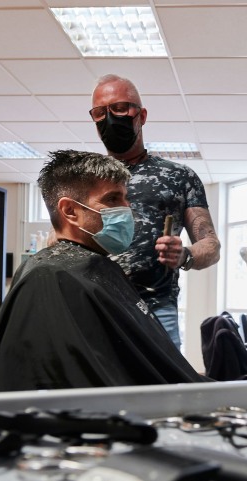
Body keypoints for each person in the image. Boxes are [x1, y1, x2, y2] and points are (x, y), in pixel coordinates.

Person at [0, 150, 205, 392]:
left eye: (126, 199)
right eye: (113, 199)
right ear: (70, 211)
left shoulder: (96, 267)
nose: (127, 209)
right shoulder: (51, 277)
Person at [91, 74, 221, 349]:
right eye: (100, 112)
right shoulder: (87, 179)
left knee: (163, 389)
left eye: (119, 108)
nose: (110, 118)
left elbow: (210, 245)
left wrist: (184, 255)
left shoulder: (179, 176)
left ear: (142, 115)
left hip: (157, 308)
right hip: (96, 305)